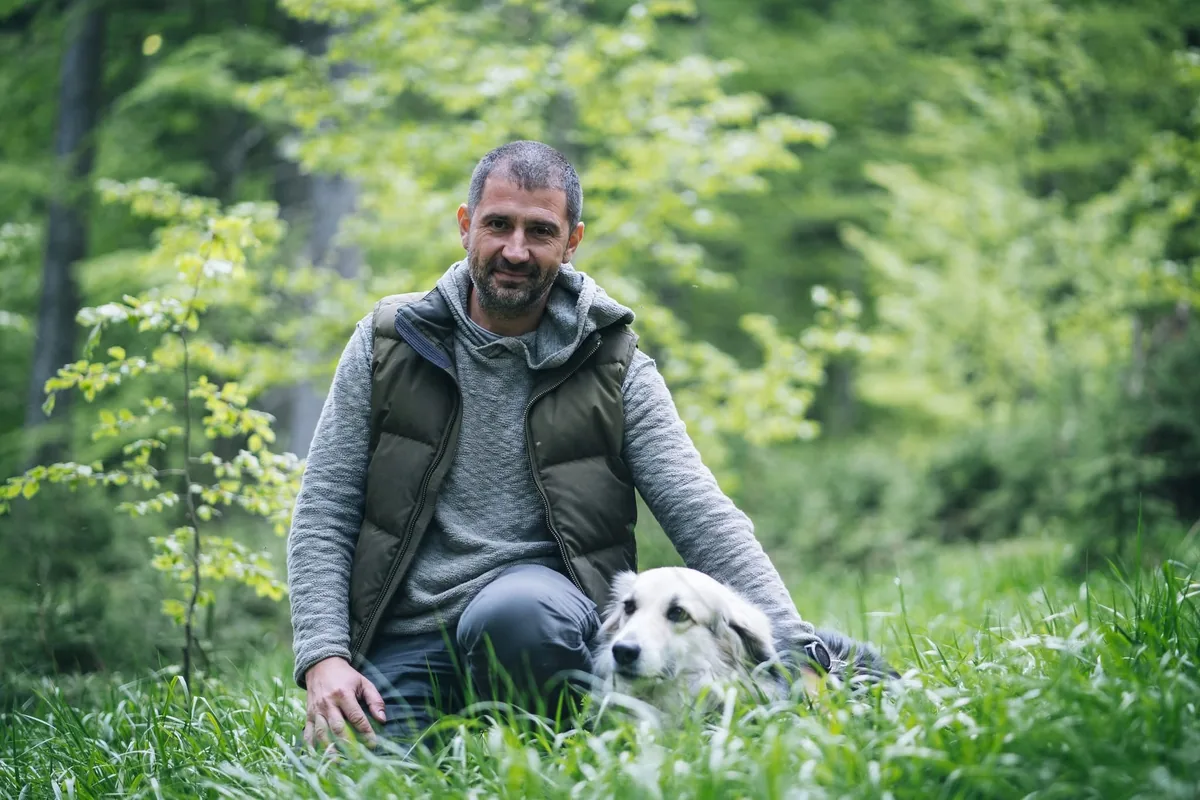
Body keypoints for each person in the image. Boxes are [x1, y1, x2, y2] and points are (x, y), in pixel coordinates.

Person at [287, 140, 824, 749]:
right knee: (360, 779)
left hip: (539, 623)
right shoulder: (388, 341)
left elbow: (698, 508)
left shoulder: (613, 364)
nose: (515, 250)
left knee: (518, 614)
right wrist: (324, 656)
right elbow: (324, 511)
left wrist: (793, 649)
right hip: (406, 633)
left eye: (540, 231)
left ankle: (556, 751)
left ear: (571, 242)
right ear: (466, 227)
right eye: (498, 225)